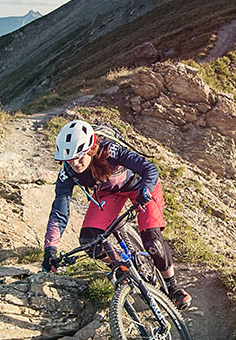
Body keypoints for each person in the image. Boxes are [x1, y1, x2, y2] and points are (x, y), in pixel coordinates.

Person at [41, 119, 191, 309]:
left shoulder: (110, 151)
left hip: (141, 187)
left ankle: (172, 286)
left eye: (79, 157)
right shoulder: (67, 174)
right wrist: (50, 249)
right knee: (89, 240)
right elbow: (59, 212)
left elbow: (149, 168)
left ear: (90, 149)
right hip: (110, 193)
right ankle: (120, 267)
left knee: (152, 240)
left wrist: (145, 190)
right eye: (69, 160)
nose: (75, 163)